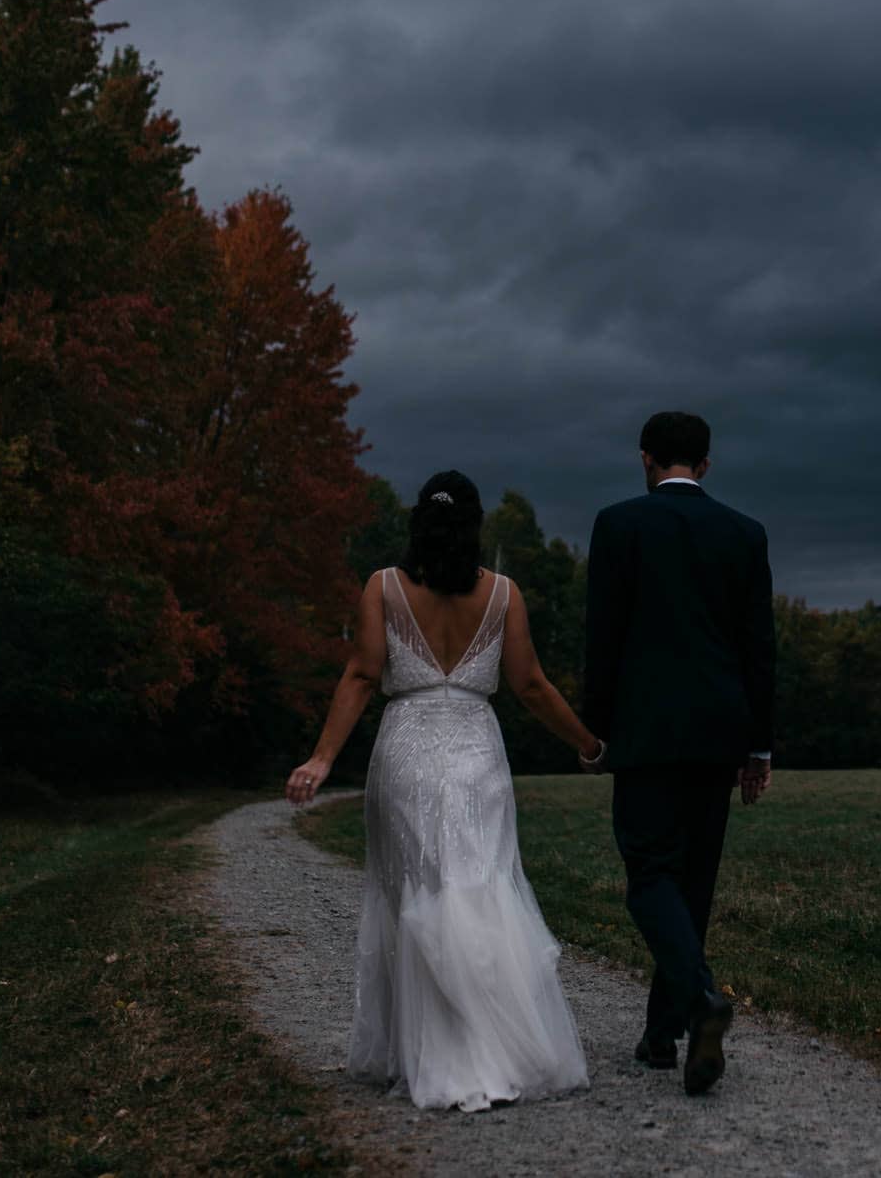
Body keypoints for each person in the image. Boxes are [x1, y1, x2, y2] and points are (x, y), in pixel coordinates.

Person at [285, 469, 601, 1112]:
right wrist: (588, 742)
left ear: (416, 523)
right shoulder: (504, 593)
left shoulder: (382, 587)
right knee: (477, 884)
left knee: (421, 888)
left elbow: (362, 673)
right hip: (477, 752)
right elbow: (532, 685)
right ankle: (495, 1044)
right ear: (475, 526)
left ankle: (437, 1051)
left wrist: (322, 757)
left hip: (405, 752)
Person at [581, 411, 776, 1096]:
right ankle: (661, 1036)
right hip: (721, 730)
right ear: (706, 465)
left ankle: (699, 1000)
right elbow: (760, 648)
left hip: (645, 730)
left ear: (645, 458)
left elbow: (603, 637)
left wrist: (594, 730)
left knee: (648, 873)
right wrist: (758, 744)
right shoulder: (744, 533)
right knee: (690, 884)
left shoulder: (618, 524)